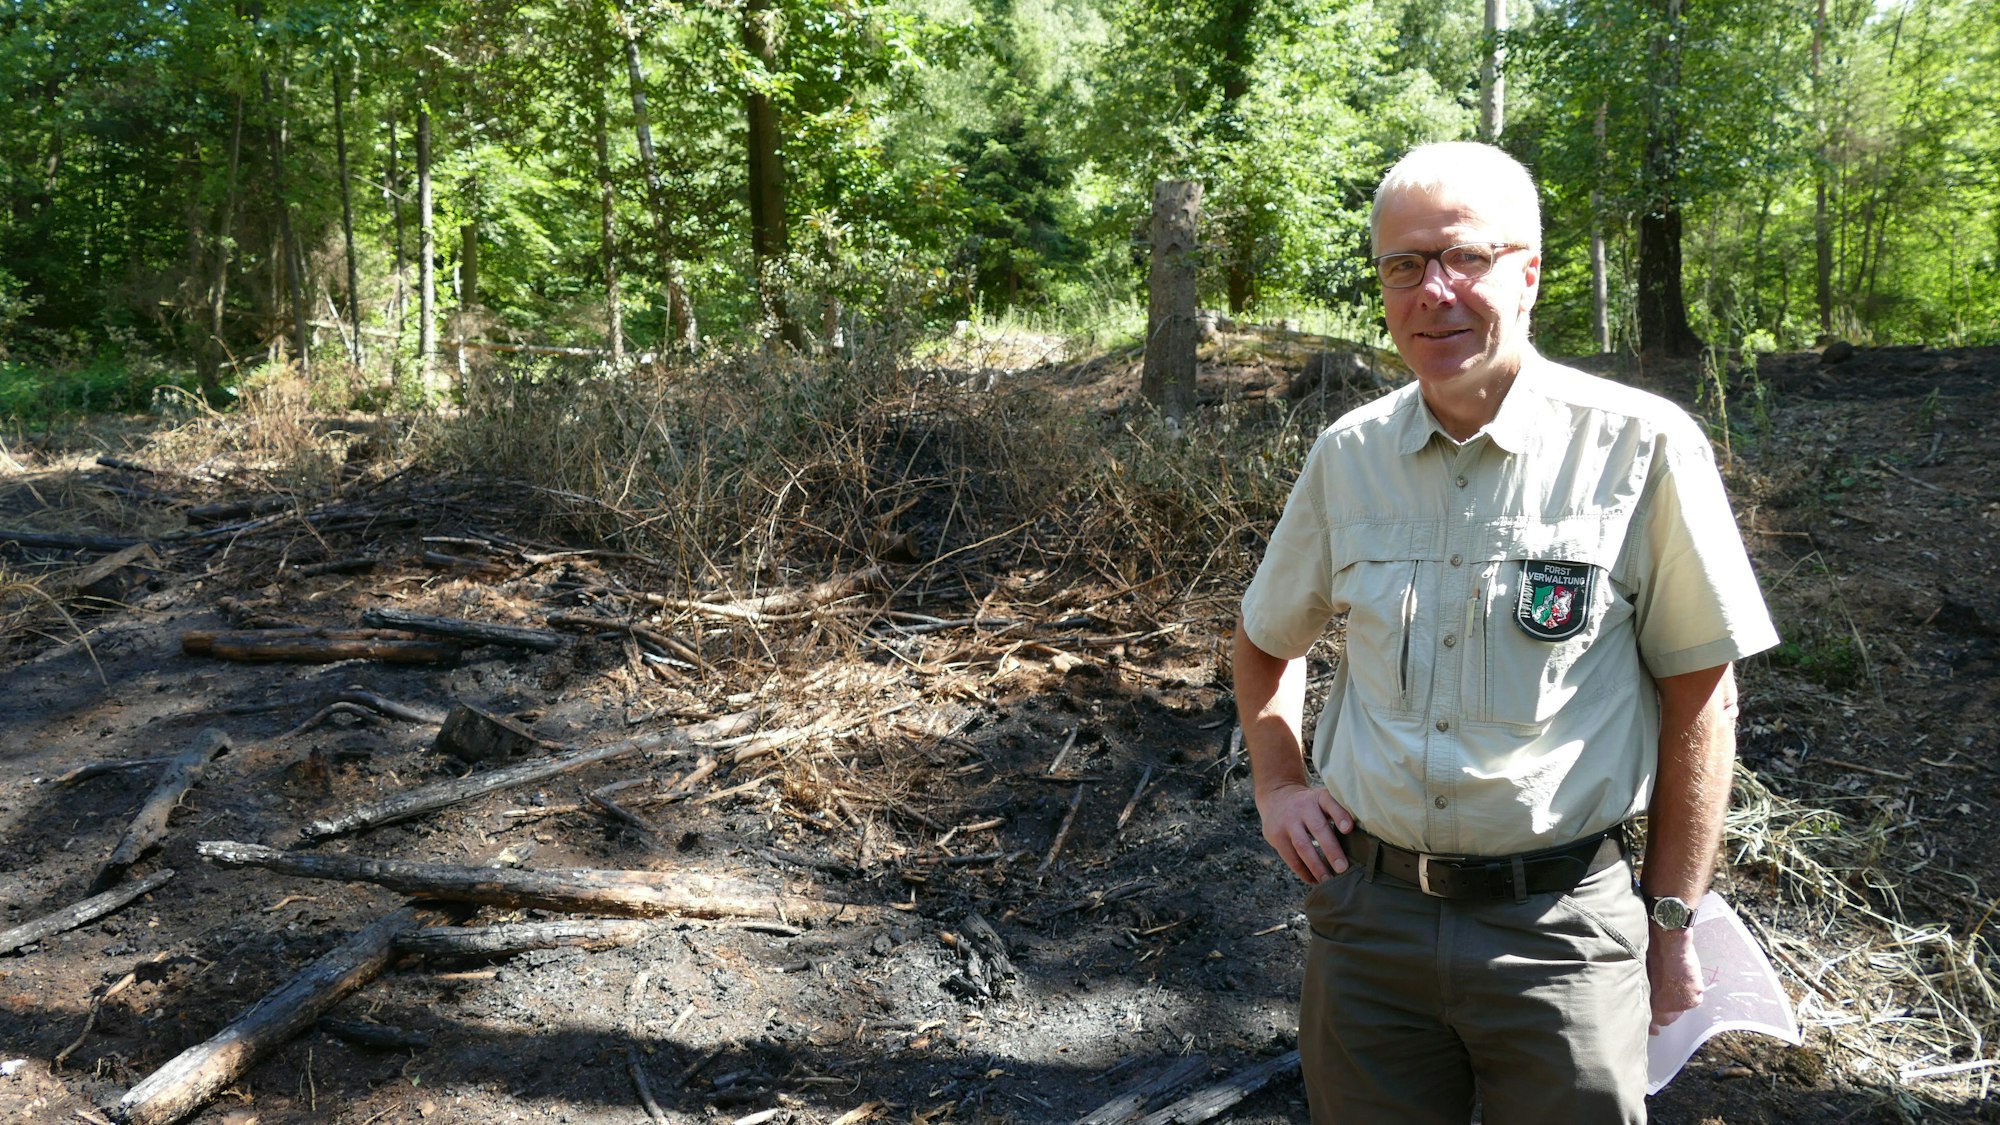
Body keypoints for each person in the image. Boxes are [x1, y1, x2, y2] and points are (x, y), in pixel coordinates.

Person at [1233, 141, 1778, 1124]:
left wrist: (1668, 922)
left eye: (1461, 258)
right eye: (1401, 265)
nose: (1430, 291)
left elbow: (1701, 699)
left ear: (1527, 273)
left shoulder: (1641, 448)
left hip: (1562, 935)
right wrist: (1277, 784)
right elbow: (1265, 640)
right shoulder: (1347, 456)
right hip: (1369, 932)